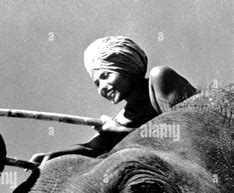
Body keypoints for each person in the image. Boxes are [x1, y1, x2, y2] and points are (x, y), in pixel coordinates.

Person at [31, 36, 197, 163]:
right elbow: (91, 148)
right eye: (97, 84)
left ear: (125, 66)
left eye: (105, 75)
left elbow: (188, 135)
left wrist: (121, 132)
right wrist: (55, 157)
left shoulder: (159, 78)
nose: (102, 87)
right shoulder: (120, 119)